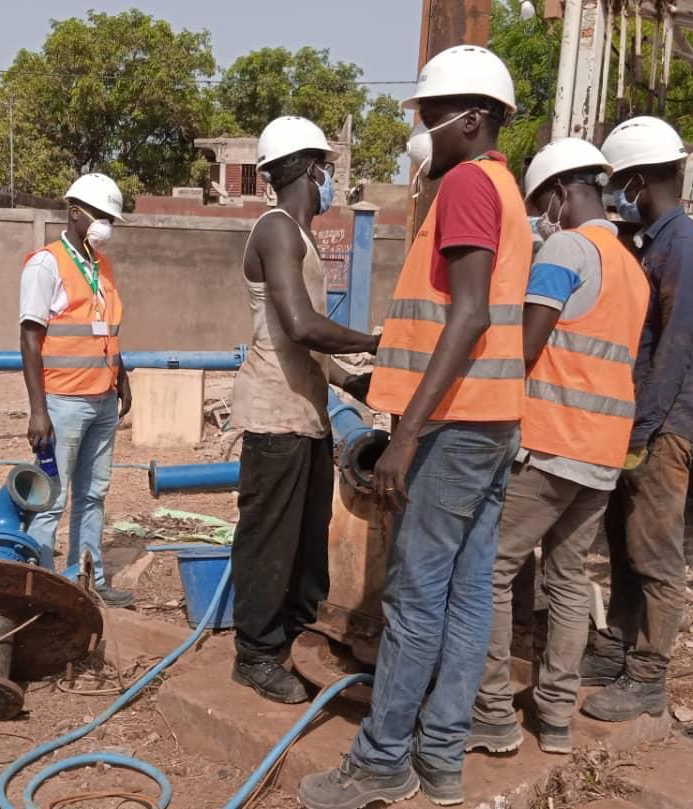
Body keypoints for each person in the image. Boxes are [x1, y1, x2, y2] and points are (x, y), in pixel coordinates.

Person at [299, 45, 531, 809]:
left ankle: (381, 762)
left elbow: (466, 315)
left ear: (471, 118)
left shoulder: (466, 184)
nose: (421, 129)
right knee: (465, 597)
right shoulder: (505, 187)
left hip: (452, 428)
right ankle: (440, 760)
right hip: (492, 423)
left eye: (430, 115)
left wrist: (406, 435)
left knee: (415, 597)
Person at [468, 138, 650, 756]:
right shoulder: (628, 262)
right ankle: (555, 719)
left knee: (492, 568)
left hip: (552, 443)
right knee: (570, 579)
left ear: (556, 194)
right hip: (603, 450)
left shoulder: (568, 247)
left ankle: (491, 711)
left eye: (542, 202)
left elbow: (526, 343)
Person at [230, 115, 380, 705]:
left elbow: (305, 349)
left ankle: (294, 634)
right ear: (310, 169)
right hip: (274, 416)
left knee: (304, 540)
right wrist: (373, 344)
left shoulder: (300, 235)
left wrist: (354, 383)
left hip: (305, 413)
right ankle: (256, 654)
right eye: (328, 170)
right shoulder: (275, 231)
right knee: (269, 539)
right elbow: (299, 326)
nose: (331, 182)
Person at [579, 117, 693, 722]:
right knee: (625, 548)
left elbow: (677, 349)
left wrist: (641, 430)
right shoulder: (656, 241)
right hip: (638, 423)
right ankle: (615, 652)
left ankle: (649, 678)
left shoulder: (683, 246)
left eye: (622, 181)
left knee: (656, 557)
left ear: (636, 178)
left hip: (661, 430)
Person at [20, 173, 134, 608]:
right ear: (74, 212)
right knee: (51, 496)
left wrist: (121, 375)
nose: (107, 225)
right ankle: (41, 585)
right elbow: (30, 338)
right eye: (102, 216)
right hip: (62, 403)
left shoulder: (99, 265)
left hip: (102, 399)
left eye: (111, 219)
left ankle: (89, 578)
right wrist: (38, 411)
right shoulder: (46, 264)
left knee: (93, 493)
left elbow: (102, 327)